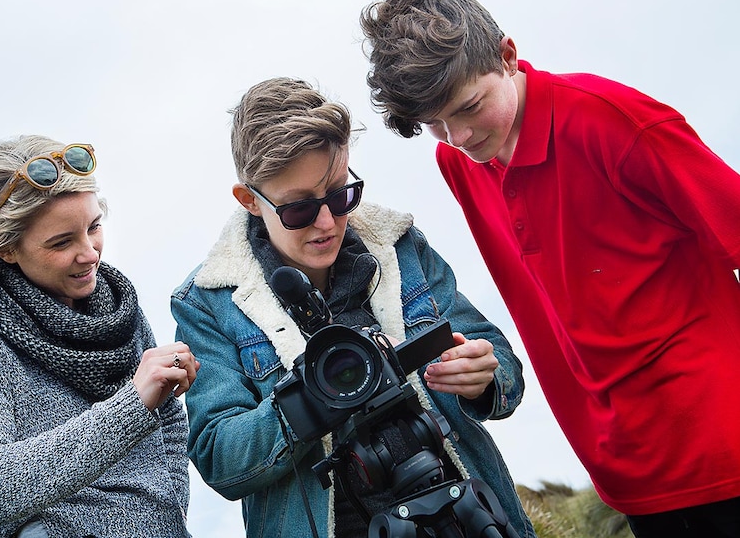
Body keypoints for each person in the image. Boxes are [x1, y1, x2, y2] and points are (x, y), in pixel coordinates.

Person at [359, 0, 740, 537]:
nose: (457, 137)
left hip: (724, 440)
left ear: (507, 55)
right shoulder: (459, 161)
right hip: (626, 467)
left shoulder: (615, 122)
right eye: (434, 123)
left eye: (467, 107)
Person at [171, 77, 534, 538]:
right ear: (250, 201)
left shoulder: (399, 246)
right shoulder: (208, 302)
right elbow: (220, 460)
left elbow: (504, 369)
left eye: (341, 195)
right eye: (299, 209)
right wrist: (311, 400)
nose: (326, 223)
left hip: (467, 519)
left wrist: (484, 375)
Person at [0, 136, 199, 538]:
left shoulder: (123, 317)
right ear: (5, 249)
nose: (89, 252)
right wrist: (131, 406)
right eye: (61, 242)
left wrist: (167, 512)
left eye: (94, 227)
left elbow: (170, 425)